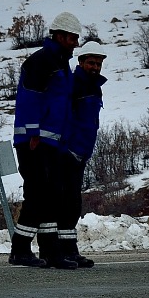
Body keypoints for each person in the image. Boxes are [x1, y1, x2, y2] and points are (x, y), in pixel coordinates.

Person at [9, 10, 82, 268]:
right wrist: (32, 134)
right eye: (72, 38)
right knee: (38, 194)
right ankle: (19, 249)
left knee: (51, 196)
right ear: (60, 36)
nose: (75, 43)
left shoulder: (61, 64)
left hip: (51, 142)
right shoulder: (41, 61)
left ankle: (51, 252)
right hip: (34, 142)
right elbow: (30, 99)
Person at [52, 38, 107, 270]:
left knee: (73, 204)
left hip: (82, 152)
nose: (95, 67)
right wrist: (67, 148)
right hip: (68, 153)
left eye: (98, 64)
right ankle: (62, 251)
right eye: (91, 63)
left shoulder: (93, 87)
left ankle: (69, 250)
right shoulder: (74, 84)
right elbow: (63, 118)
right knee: (66, 203)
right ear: (81, 61)